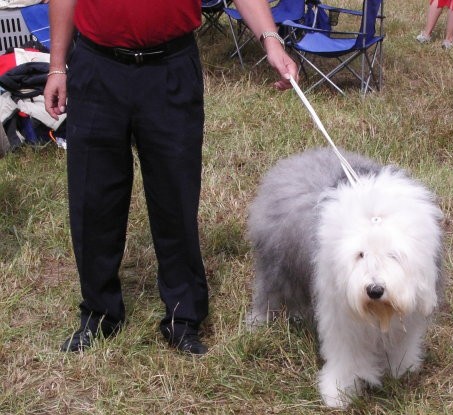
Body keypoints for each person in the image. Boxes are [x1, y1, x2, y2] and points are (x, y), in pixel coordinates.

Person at [44, 0, 299, 355]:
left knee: (175, 198)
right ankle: (99, 313)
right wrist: (57, 67)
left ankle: (183, 318)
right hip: (97, 67)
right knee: (94, 198)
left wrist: (271, 41)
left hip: (170, 68)